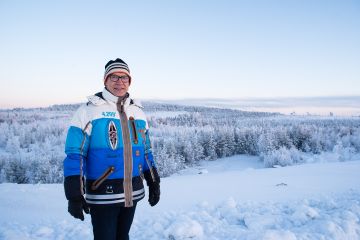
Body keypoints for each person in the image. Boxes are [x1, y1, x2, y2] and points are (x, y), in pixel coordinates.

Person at [63, 58, 160, 240]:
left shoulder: (137, 112)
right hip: (102, 194)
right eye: (114, 77)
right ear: (105, 80)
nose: (119, 82)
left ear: (129, 82)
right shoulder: (88, 111)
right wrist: (74, 193)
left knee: (123, 236)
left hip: (132, 192)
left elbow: (146, 150)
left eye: (124, 78)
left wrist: (153, 180)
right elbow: (75, 154)